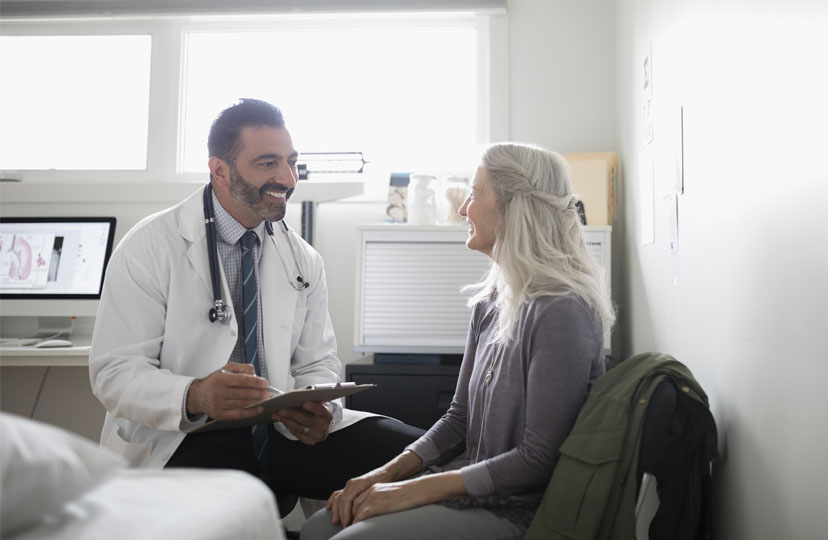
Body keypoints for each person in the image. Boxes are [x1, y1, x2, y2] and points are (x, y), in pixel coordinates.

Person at [88, 98, 422, 511]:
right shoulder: (150, 246)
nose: (287, 176)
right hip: (187, 438)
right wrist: (195, 395)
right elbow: (114, 373)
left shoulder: (301, 258)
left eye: (291, 161)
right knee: (232, 512)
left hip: (281, 435)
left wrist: (323, 409)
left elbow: (318, 363)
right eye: (267, 163)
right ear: (220, 170)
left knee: (419, 454)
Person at [301, 142, 616, 539]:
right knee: (317, 529)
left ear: (512, 206)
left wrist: (410, 491)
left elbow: (537, 459)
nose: (465, 208)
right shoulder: (490, 303)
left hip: (520, 509)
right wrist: (379, 477)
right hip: (468, 492)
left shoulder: (561, 311)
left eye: (475, 193)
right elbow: (459, 419)